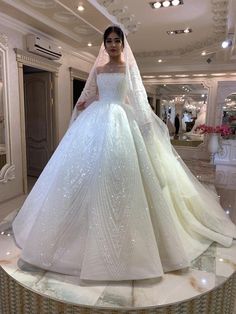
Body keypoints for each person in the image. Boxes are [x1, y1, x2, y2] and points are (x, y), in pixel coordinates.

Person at [12, 26, 236, 281]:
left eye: (117, 40)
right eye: (108, 41)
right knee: (87, 171)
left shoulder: (128, 69)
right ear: (104, 44)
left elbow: (137, 100)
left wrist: (148, 125)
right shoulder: (97, 69)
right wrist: (88, 102)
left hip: (121, 119)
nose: (113, 45)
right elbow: (96, 93)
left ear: (122, 44)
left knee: (120, 171)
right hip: (97, 119)